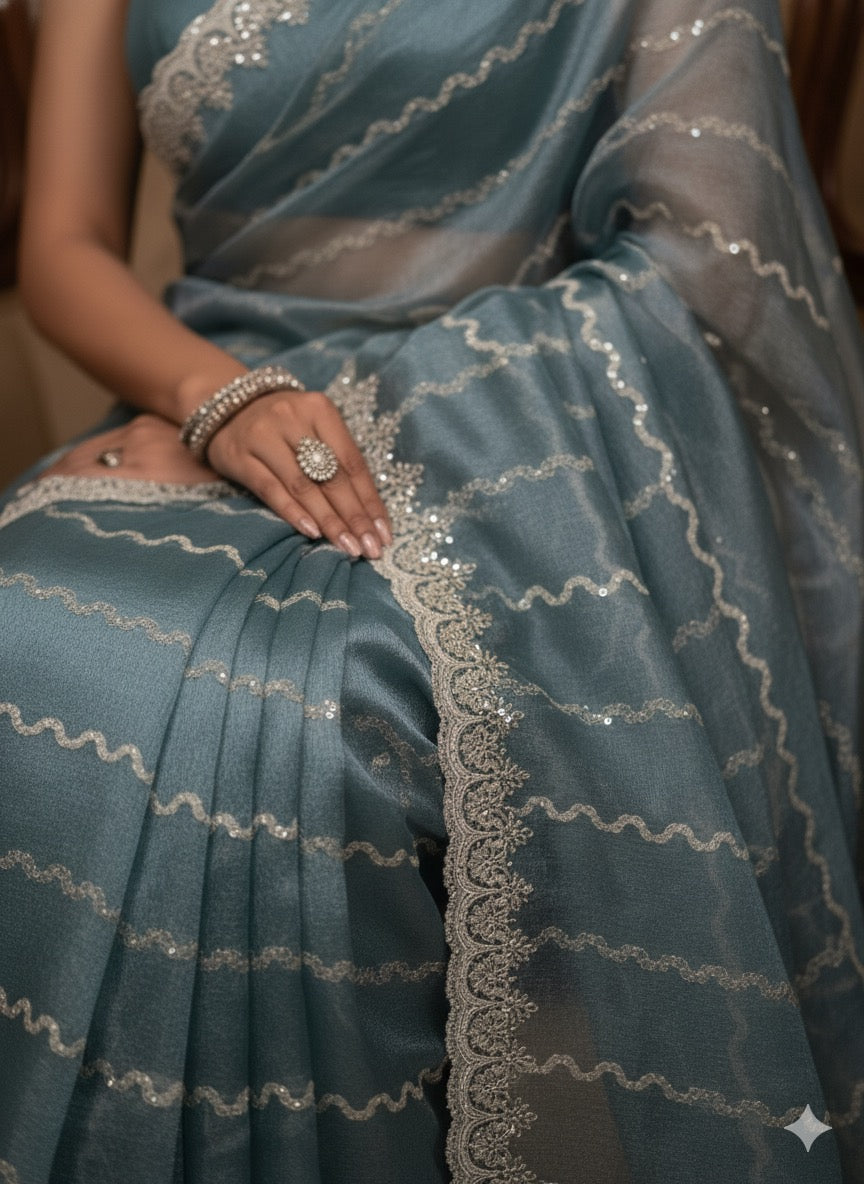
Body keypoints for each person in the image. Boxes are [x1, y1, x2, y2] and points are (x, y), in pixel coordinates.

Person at [1, 0, 863, 1180]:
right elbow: (65, 245)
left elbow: (703, 263)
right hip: (202, 397)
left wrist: (363, 409)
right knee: (29, 624)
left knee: (310, 708)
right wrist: (221, 399)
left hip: (520, 433)